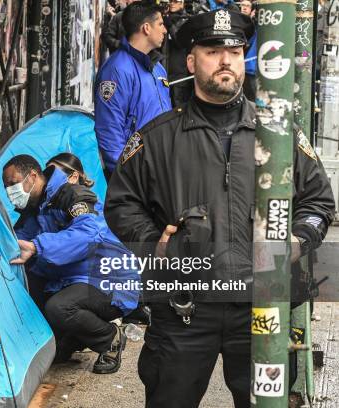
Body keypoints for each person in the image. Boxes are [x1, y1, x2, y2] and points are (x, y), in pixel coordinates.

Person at [104, 10, 335, 408]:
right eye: (212, 51)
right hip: (184, 307)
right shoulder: (158, 137)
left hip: (262, 306)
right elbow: (122, 203)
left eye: (234, 50)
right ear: (192, 61)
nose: (225, 60)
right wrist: (153, 243)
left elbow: (318, 202)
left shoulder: (279, 133)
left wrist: (297, 240)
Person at [3, 154, 140, 374]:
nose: (10, 191)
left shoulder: (73, 195)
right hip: (72, 279)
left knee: (59, 308)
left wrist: (39, 246)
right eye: (6, 186)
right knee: (24, 286)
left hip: (110, 279)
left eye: (13, 183)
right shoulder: (34, 208)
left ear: (33, 175)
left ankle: (109, 338)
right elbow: (16, 240)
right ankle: (70, 340)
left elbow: (89, 233)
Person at [95, 1, 172, 175]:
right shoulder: (116, 70)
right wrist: (127, 176)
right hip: (136, 174)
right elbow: (109, 129)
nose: (165, 30)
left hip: (161, 166)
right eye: (160, 24)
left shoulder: (157, 68)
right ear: (146, 28)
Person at [164, 0, 193, 106]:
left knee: (178, 104)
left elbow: (180, 42)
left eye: (175, 1)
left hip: (179, 70)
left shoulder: (186, 20)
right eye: (170, 1)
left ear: (182, 3)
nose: (172, 4)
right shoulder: (163, 17)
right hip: (163, 66)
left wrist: (170, 25)